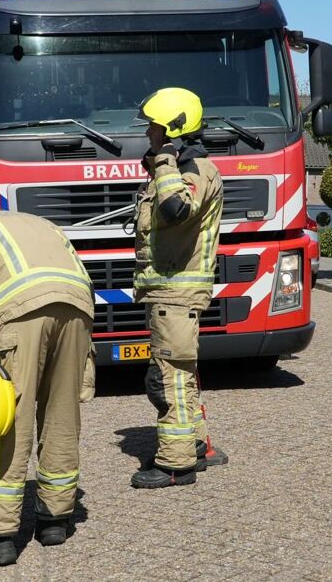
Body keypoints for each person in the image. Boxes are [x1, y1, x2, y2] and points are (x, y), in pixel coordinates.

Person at [0, 209, 94, 567]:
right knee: (62, 415)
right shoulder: (43, 222)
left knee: (10, 419)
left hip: (22, 311)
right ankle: (55, 519)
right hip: (78, 309)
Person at [129, 87, 229, 490]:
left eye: (154, 127)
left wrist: (165, 162)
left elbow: (176, 209)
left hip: (177, 294)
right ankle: (198, 446)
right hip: (166, 293)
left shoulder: (193, 172)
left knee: (169, 378)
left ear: (171, 129)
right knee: (180, 375)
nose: (148, 134)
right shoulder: (179, 169)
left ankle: (176, 464)